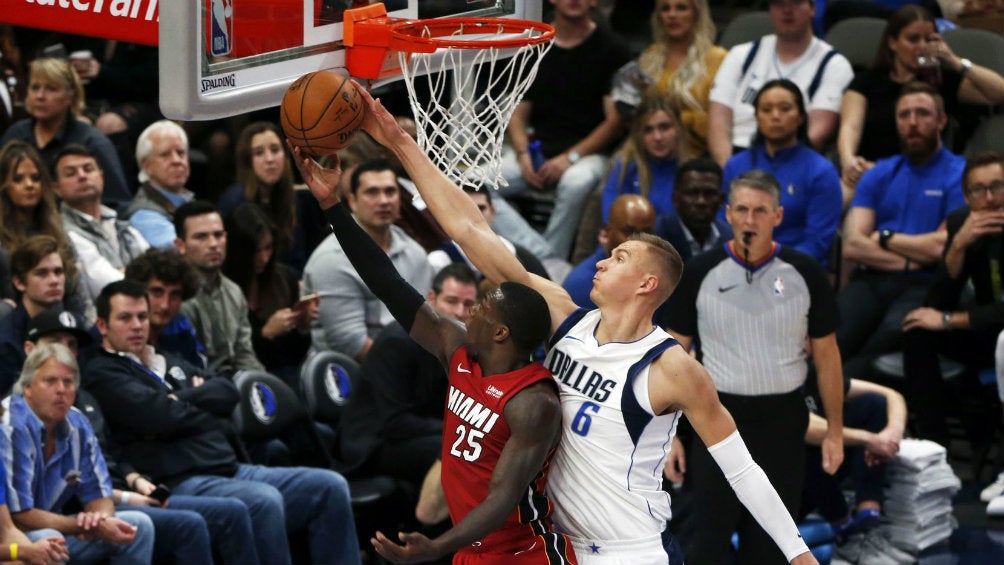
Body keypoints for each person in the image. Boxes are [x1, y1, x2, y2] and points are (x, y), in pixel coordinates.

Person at [336, 80, 820, 565]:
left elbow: (741, 469)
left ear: (647, 284)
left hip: (631, 552)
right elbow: (468, 228)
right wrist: (400, 144)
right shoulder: (562, 316)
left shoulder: (672, 367)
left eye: (621, 256)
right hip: (559, 547)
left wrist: (798, 554)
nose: (604, 260)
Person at [291, 147, 576, 565]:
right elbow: (387, 282)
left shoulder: (534, 402)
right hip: (472, 549)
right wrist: (332, 206)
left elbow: (502, 498)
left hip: (524, 553)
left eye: (482, 308)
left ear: (501, 333)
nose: (468, 312)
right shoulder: (457, 347)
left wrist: (436, 545)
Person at [82, 280, 361, 565]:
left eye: (142, 316)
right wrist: (198, 405)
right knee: (263, 500)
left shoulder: (165, 359)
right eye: (125, 318)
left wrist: (180, 398)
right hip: (181, 479)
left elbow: (228, 392)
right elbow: (159, 415)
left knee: (329, 485)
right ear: (103, 326)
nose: (137, 325)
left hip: (229, 468)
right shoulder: (103, 372)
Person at [663, 170, 844, 564]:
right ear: (727, 213)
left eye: (760, 210)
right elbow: (673, 358)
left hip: (784, 420)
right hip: (716, 419)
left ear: (778, 215)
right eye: (742, 209)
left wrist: (834, 431)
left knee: (770, 546)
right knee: (707, 539)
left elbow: (828, 357)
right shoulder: (698, 272)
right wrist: (669, 436)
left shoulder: (806, 273)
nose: (750, 220)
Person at [22, 308, 258, 565]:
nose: (65, 353)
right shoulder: (12, 422)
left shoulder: (81, 408)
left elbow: (104, 465)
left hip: (101, 502)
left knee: (159, 525)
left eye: (72, 345)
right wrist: (92, 518)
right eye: (55, 344)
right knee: (58, 537)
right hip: (51, 520)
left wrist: (131, 485)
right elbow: (19, 512)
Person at [838, 81, 965, 380]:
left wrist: (885, 237)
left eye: (922, 114)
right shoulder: (879, 173)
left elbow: (941, 248)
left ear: (941, 120)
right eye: (904, 115)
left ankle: (837, 401)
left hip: (925, 285)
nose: (912, 123)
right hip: (871, 280)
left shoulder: (960, 174)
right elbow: (853, 245)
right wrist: (912, 258)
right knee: (832, 337)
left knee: (886, 342)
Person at [497, 0, 633, 260]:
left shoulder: (614, 49)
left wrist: (569, 158)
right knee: (475, 182)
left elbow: (615, 122)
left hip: (588, 154)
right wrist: (524, 155)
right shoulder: (533, 44)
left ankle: (551, 262)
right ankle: (542, 255)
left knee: (574, 182)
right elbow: (517, 111)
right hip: (537, 149)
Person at [0, 343, 155, 565]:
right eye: (50, 381)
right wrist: (83, 526)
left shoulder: (78, 423)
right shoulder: (11, 425)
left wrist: (97, 519)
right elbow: (19, 516)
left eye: (68, 382)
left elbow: (100, 497)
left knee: (138, 527)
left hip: (57, 528)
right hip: (22, 534)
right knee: (49, 541)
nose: (61, 390)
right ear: (27, 388)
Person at [837, 5, 1004, 192]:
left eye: (929, 39)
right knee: (834, 200)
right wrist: (849, 161)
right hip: (871, 173)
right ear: (893, 42)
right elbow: (850, 126)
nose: (922, 46)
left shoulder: (941, 80)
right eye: (913, 39)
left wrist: (954, 61)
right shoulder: (866, 81)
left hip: (925, 177)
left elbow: (999, 92)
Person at [340, 263, 478, 489]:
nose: (460, 312)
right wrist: (456, 429)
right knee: (457, 450)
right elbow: (394, 422)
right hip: (373, 443)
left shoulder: (461, 347)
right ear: (431, 299)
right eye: (451, 301)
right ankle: (434, 522)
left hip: (415, 431)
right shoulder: (397, 342)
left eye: (468, 305)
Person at [902, 152, 1004, 451]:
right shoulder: (963, 223)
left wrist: (949, 320)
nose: (989, 198)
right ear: (967, 197)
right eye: (978, 190)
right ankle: (935, 452)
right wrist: (958, 245)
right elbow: (937, 302)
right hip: (986, 331)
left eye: (997, 187)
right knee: (917, 330)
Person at [302, 158, 432, 361]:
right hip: (350, 373)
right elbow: (351, 344)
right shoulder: (331, 259)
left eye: (390, 191)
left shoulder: (415, 252)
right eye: (372, 192)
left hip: (409, 364)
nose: (384, 201)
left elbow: (427, 323)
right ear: (352, 200)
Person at [707, 0, 853, 166]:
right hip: (735, 154)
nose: (787, 10)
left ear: (813, 9)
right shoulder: (741, 54)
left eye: (796, 3)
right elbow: (717, 122)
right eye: (778, 3)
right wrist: (730, 170)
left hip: (790, 159)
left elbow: (817, 134)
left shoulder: (834, 64)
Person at [721, 80, 842, 266]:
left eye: (785, 109)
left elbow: (817, 242)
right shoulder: (736, 165)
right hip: (738, 265)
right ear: (757, 117)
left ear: (801, 117)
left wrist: (769, 265)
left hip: (796, 270)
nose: (775, 116)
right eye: (766, 109)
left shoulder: (820, 171)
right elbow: (723, 225)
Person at [800, 376, 912, 565]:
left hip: (816, 478)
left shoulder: (810, 373)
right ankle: (844, 531)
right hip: (781, 488)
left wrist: (892, 433)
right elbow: (802, 426)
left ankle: (869, 519)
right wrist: (869, 439)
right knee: (808, 445)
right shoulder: (769, 380)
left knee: (874, 404)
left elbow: (891, 395)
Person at [0, 58, 131, 209]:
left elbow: (118, 203)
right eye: (35, 88)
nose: (40, 96)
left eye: (51, 89)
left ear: (71, 96)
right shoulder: (16, 134)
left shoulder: (91, 141)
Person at [611, 0, 726, 157]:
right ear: (658, 16)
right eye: (665, 9)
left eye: (681, 8)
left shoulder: (719, 59)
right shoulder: (649, 57)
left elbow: (722, 122)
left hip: (694, 156)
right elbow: (633, 112)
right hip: (646, 153)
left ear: (697, 14)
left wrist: (682, 119)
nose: (672, 15)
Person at [221, 202, 315, 383]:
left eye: (269, 248)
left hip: (291, 375)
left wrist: (302, 325)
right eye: (255, 251)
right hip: (245, 380)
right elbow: (228, 355)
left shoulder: (285, 278)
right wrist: (266, 333)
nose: (264, 258)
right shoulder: (225, 288)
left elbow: (297, 354)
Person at [170, 200, 265, 375]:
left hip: (236, 383)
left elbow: (244, 354)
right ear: (180, 245)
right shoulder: (173, 297)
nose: (213, 244)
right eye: (201, 237)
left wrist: (261, 385)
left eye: (218, 235)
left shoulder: (233, 291)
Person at [218, 121, 326, 273]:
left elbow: (301, 258)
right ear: (247, 161)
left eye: (275, 150)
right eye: (259, 153)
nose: (269, 159)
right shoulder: (234, 202)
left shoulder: (298, 199)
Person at [0, 235, 97, 395]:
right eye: (42, 273)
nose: (54, 280)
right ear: (19, 283)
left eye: (58, 272)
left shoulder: (81, 328)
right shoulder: (6, 342)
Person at [52, 144, 149, 301]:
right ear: (56, 188)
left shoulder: (122, 225)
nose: (82, 176)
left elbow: (158, 272)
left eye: (88, 169)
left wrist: (126, 273)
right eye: (71, 173)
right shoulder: (62, 233)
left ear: (102, 177)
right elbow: (110, 287)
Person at [0, 141, 82, 303]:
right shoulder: (2, 246)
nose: (30, 185)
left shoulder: (59, 235)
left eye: (36, 178)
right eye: (18, 179)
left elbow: (76, 293)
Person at [427, 186, 551, 285]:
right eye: (466, 208)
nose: (475, 215)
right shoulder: (438, 260)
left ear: (492, 212)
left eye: (481, 208)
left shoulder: (510, 251)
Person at [599, 94, 684, 223]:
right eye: (648, 130)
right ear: (639, 134)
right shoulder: (624, 167)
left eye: (664, 127)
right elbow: (612, 221)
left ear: (679, 128)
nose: (657, 137)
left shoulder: (691, 171)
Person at [563, 194, 656, 310]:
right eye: (628, 231)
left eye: (646, 232)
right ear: (607, 230)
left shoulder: (655, 277)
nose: (638, 241)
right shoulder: (581, 284)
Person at [123, 247, 206, 368]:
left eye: (175, 295)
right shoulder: (116, 334)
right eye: (157, 292)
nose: (165, 305)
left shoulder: (181, 328)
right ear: (138, 290)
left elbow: (202, 374)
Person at [126, 120, 194, 248]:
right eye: (165, 155)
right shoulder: (144, 216)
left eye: (180, 153)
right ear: (147, 166)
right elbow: (187, 252)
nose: (176, 160)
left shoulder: (186, 200)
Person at [653, 157, 732, 265]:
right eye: (692, 193)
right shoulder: (655, 235)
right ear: (675, 199)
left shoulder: (730, 239)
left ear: (721, 200)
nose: (701, 201)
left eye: (709, 193)